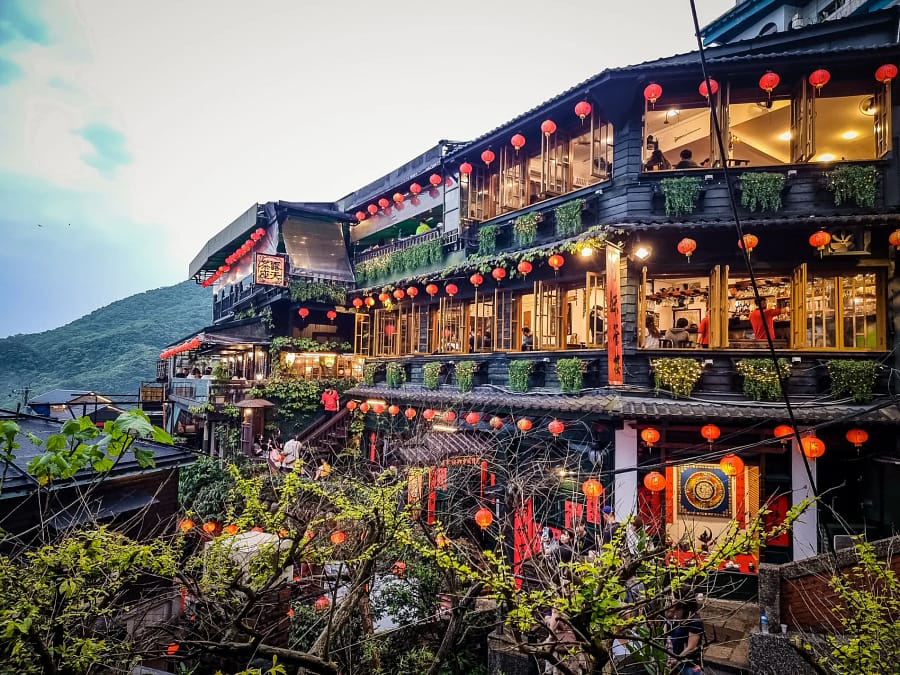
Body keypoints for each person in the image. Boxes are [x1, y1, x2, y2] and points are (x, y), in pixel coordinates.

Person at [665, 597, 705, 674]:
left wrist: (676, 659)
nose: (675, 614)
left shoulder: (694, 622)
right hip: (677, 661)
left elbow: (691, 647)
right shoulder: (680, 619)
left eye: (677, 610)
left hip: (688, 665)